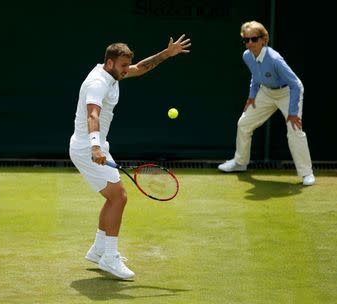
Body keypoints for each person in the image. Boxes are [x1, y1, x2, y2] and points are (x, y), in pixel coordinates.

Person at [69, 35, 191, 279]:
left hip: (97, 145)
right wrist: (95, 147)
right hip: (88, 148)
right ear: (110, 63)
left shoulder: (113, 75)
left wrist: (166, 54)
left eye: (127, 65)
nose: (127, 70)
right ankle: (110, 258)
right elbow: (92, 114)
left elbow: (140, 68)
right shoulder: (97, 83)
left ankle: (98, 250)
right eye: (123, 66)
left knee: (114, 198)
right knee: (119, 197)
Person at [218, 21, 315, 186]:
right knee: (244, 123)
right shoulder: (247, 56)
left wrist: (292, 113)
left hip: (288, 92)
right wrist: (252, 97)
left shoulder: (275, 59)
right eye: (246, 40)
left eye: (254, 39)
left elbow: (295, 85)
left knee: (294, 130)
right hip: (266, 92)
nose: (250, 43)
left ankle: (307, 173)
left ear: (263, 40)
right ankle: (240, 163)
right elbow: (256, 77)